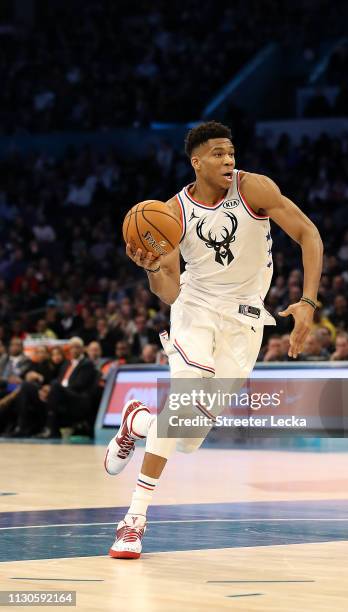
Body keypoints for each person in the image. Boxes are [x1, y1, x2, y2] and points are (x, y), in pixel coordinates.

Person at [104, 121, 323, 558]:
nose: (229, 159)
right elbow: (169, 290)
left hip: (245, 320)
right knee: (185, 406)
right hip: (196, 310)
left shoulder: (254, 189)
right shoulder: (171, 214)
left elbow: (307, 234)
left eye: (231, 152)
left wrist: (308, 301)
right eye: (219, 153)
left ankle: (136, 422)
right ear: (196, 161)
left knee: (187, 435)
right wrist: (151, 267)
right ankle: (134, 520)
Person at [35, 337, 98, 438]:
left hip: (78, 397)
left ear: (82, 349)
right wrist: (49, 388)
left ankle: (51, 429)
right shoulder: (66, 363)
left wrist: (58, 388)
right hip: (62, 393)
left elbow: (79, 384)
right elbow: (59, 379)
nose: (74, 350)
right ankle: (26, 427)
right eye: (72, 347)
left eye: (77, 347)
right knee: (30, 387)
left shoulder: (87, 364)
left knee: (55, 386)